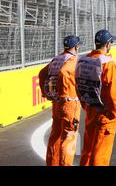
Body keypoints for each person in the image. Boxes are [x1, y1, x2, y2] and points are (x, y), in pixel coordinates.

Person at [76, 29, 116, 166]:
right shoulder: (107, 62)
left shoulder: (82, 59)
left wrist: (86, 105)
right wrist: (115, 112)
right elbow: (111, 93)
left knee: (88, 150)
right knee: (101, 153)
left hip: (90, 109)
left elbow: (78, 85)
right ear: (108, 44)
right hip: (104, 113)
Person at [39, 35, 82, 166]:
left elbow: (42, 73)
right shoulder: (72, 60)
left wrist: (45, 92)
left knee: (55, 135)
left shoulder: (56, 59)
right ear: (76, 47)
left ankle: (51, 163)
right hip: (69, 103)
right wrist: (64, 93)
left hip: (57, 103)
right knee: (69, 136)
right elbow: (64, 72)